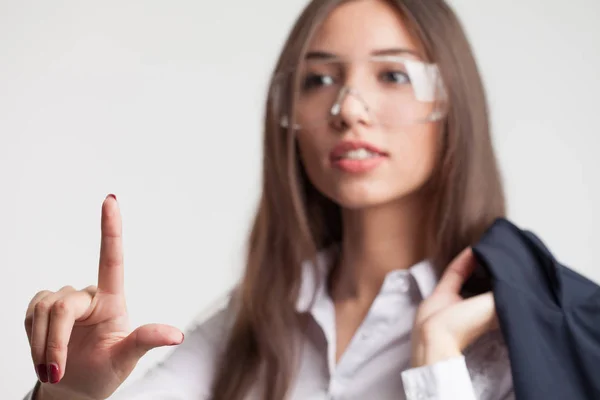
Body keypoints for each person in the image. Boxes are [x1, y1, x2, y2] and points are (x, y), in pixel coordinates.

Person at [22, 0, 516, 399]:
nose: (348, 110)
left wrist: (438, 364)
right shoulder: (258, 317)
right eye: (319, 80)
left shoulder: (518, 325)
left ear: (452, 103)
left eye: (393, 75)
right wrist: (74, 397)